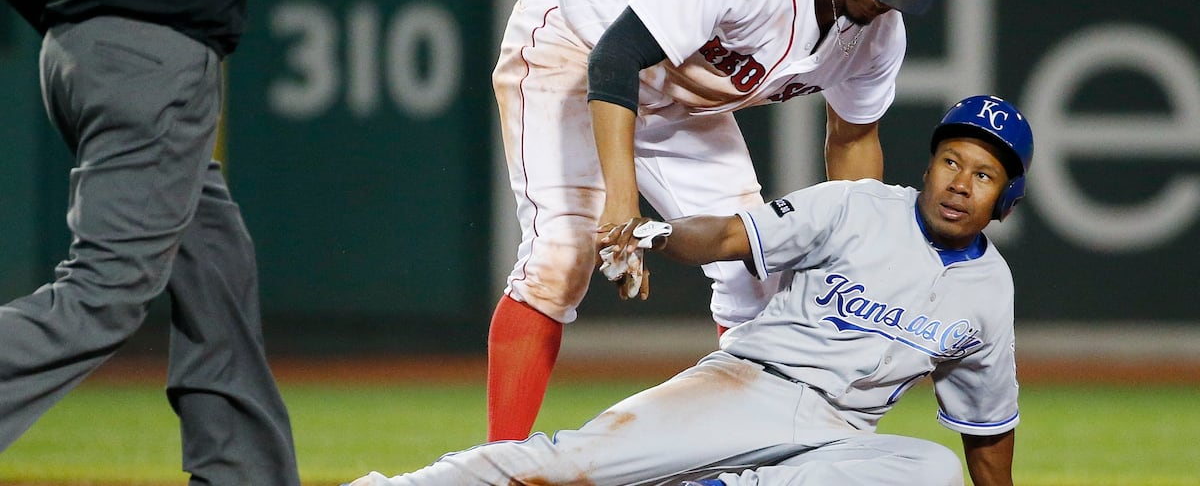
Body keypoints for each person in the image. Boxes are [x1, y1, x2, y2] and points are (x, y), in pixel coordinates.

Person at [344, 94, 1032, 486]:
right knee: (571, 465)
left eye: (984, 175)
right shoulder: (858, 205)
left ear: (1004, 202)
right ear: (930, 164)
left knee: (929, 470)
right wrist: (656, 232)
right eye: (951, 160)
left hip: (840, 438)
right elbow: (730, 234)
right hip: (750, 387)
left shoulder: (988, 292)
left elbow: (989, 432)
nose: (959, 183)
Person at [487, 0, 954, 442]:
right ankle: (496, 463)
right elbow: (616, 57)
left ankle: (740, 461)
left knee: (755, 273)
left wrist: (859, 256)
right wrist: (620, 203)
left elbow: (853, 138)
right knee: (561, 258)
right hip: (575, 44)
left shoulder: (879, 36)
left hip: (680, 98)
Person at [0, 0, 300, 483]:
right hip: (153, 57)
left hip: (74, 47)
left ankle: (244, 474)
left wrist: (86, 14)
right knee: (104, 293)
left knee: (214, 262)